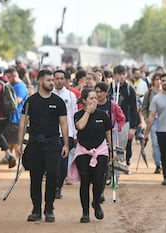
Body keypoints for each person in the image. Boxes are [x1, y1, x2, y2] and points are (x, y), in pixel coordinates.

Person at [17, 70, 69, 222]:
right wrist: (20, 143)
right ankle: (36, 209)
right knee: (35, 178)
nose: (52, 83)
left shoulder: (58, 102)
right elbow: (22, 123)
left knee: (53, 174)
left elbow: (64, 124)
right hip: (35, 144)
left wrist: (66, 144)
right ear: (40, 81)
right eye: (49, 80)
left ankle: (49, 208)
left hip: (53, 143)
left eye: (53, 80)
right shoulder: (30, 101)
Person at [68, 88, 112, 223]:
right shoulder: (78, 114)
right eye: (91, 98)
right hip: (83, 151)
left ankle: (97, 203)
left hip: (100, 150)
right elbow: (80, 126)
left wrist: (112, 150)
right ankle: (85, 212)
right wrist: (88, 111)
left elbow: (108, 132)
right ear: (84, 101)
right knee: (85, 182)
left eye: (95, 98)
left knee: (99, 180)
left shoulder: (103, 115)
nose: (95, 100)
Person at [52, 69, 77, 199]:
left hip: (66, 135)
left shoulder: (71, 96)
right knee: (52, 164)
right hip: (51, 134)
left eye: (62, 78)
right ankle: (52, 186)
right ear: (53, 79)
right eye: (57, 78)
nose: (59, 81)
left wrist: (75, 134)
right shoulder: (49, 95)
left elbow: (74, 115)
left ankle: (58, 187)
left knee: (62, 165)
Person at [108, 65, 137, 167]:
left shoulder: (129, 89)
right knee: (109, 147)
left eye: (123, 74)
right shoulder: (109, 88)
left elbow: (134, 109)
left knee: (121, 147)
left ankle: (117, 171)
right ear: (114, 75)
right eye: (118, 74)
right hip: (110, 122)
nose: (121, 77)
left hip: (124, 123)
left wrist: (133, 127)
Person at [0, 68, 28, 163]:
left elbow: (17, 101)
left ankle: (21, 160)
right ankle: (8, 157)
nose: (6, 80)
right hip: (12, 118)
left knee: (16, 142)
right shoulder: (14, 85)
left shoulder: (20, 87)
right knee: (10, 140)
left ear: (14, 76)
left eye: (8, 77)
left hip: (17, 119)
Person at [141, 72, 162, 173]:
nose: (159, 82)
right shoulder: (149, 93)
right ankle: (159, 164)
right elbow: (144, 107)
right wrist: (146, 119)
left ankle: (163, 162)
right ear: (153, 81)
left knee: (164, 143)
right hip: (153, 121)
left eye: (160, 79)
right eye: (157, 79)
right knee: (155, 143)